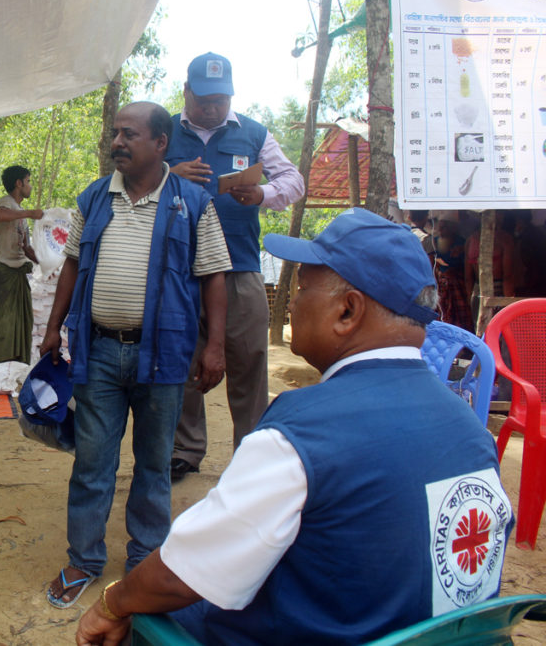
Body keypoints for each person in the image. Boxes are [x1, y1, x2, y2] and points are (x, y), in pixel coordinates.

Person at [74, 208, 513, 646]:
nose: (292, 301)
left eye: (303, 287)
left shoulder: (302, 431)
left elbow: (184, 572)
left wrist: (114, 601)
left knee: (143, 614)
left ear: (347, 311)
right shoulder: (472, 430)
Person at [40, 101, 231, 609]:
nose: (117, 142)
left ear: (161, 144)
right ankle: (84, 560)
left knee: (153, 463)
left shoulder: (192, 202)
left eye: (130, 134)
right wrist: (54, 326)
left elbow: (214, 275)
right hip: (99, 350)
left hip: (164, 355)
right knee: (92, 463)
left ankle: (147, 558)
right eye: (115, 133)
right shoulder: (95, 197)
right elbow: (73, 264)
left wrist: (214, 347)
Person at [166, 52, 305, 481]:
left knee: (248, 359)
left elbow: (294, 181)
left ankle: (251, 453)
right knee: (184, 360)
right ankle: (185, 450)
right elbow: (128, 178)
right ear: (186, 92)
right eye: (204, 98)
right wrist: (170, 175)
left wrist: (262, 193)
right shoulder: (163, 130)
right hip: (179, 269)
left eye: (221, 99)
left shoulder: (254, 133)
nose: (212, 108)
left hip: (239, 267)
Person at [0, 164, 43, 364]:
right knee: (6, 324)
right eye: (28, 182)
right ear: (19, 183)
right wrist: (29, 213)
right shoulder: (6, 203)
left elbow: (26, 248)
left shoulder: (19, 213)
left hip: (19, 275)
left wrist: (46, 263)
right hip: (5, 273)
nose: (30, 186)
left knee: (24, 322)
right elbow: (2, 215)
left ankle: (17, 366)